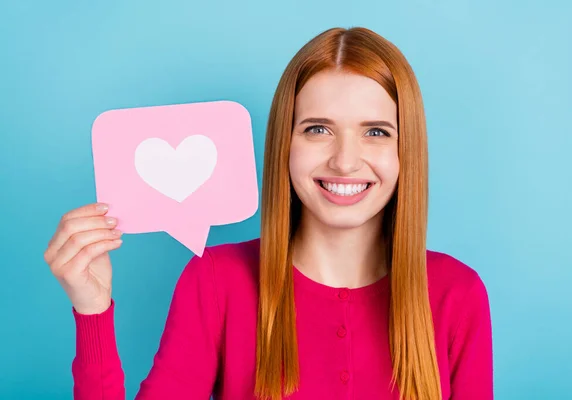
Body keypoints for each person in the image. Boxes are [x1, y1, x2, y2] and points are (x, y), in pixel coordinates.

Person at [43, 26, 493, 400]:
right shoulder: (216, 282)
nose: (345, 161)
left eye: (375, 131)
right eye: (318, 129)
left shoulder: (457, 295)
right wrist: (93, 311)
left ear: (405, 152)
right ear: (285, 145)